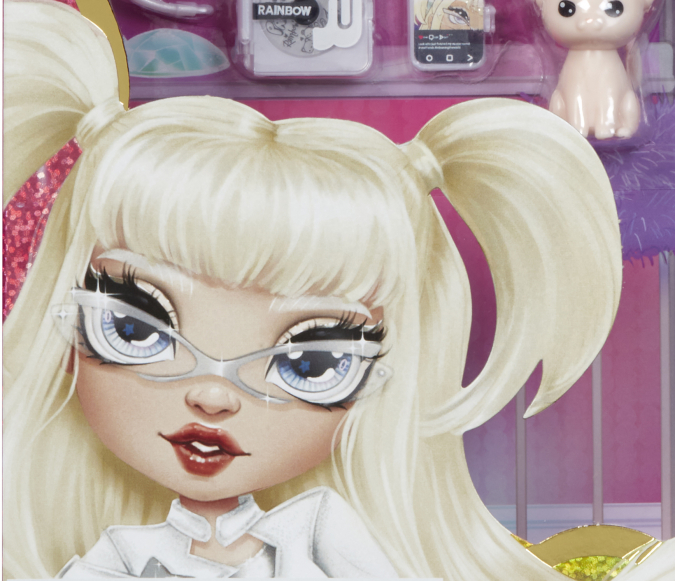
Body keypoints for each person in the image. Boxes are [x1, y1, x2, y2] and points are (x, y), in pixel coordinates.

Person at [5, 1, 674, 579]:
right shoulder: (110, 555)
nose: (212, 394)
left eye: (310, 362)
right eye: (134, 328)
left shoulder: (320, 530)